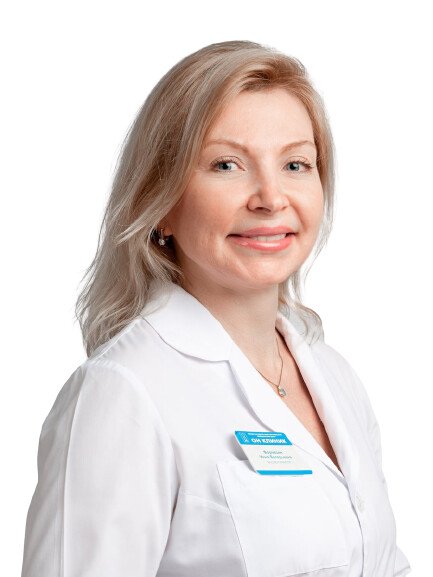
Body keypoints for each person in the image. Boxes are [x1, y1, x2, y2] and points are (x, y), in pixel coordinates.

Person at [20, 40, 411, 577]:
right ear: (161, 204)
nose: (271, 197)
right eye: (227, 164)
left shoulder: (333, 376)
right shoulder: (124, 392)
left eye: (296, 164)